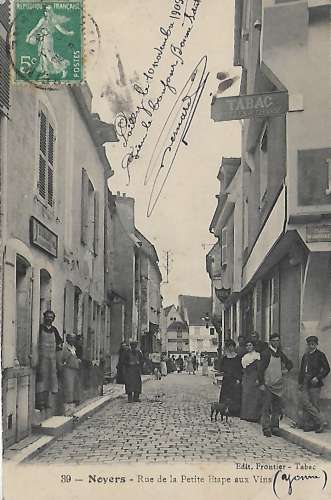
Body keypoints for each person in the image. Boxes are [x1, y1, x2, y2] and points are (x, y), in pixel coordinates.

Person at [258, 333, 293, 437]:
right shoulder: (265, 353)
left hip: (278, 385)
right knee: (266, 407)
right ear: (271, 342)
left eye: (278, 340)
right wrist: (261, 383)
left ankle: (275, 427)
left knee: (276, 407)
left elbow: (289, 363)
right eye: (274, 340)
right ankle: (266, 427)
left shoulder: (280, 353)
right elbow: (260, 370)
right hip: (268, 385)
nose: (276, 342)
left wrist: (286, 370)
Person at [26, 5, 75, 79]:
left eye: (48, 11)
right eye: (46, 11)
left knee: (50, 56)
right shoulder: (43, 20)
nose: (47, 13)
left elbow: (60, 29)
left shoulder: (53, 20)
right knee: (43, 56)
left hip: (48, 40)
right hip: (43, 39)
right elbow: (36, 28)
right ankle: (47, 73)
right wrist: (29, 36)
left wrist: (68, 33)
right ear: (45, 13)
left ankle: (63, 69)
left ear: (51, 12)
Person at [298, 336, 330, 433]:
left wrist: (318, 377)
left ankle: (316, 425)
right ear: (307, 345)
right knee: (306, 403)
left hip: (314, 383)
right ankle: (318, 421)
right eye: (309, 344)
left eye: (313, 344)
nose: (311, 346)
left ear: (316, 344)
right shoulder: (305, 355)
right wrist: (300, 383)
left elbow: (327, 369)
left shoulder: (320, 355)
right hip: (305, 382)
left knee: (314, 404)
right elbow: (301, 371)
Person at [36, 310, 63, 410]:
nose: (49, 319)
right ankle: (39, 402)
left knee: (50, 381)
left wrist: (58, 347)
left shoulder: (54, 330)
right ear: (44, 317)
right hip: (42, 358)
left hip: (52, 359)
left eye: (51, 317)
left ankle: (47, 402)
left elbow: (60, 341)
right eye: (48, 317)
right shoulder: (40, 328)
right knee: (41, 379)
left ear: (53, 319)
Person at [219, 339, 242, 416]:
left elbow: (240, 369)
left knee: (234, 396)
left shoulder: (238, 358)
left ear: (234, 347)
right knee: (226, 395)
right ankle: (224, 410)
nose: (231, 348)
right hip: (227, 380)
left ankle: (234, 411)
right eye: (229, 347)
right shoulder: (225, 358)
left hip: (234, 379)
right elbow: (221, 368)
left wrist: (239, 378)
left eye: (232, 346)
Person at [240, 339, 261, 422]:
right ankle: (246, 415)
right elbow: (244, 368)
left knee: (254, 396)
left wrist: (258, 379)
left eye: (250, 345)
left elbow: (259, 368)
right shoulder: (245, 357)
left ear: (253, 346)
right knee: (246, 395)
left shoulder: (257, 355)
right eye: (247, 346)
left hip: (255, 376)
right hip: (247, 377)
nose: (248, 347)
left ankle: (254, 416)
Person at [61, 334, 81, 416]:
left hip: (74, 370)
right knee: (68, 389)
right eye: (71, 339)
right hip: (68, 370)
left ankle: (72, 411)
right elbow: (63, 359)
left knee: (74, 390)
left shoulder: (73, 349)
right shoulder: (66, 349)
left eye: (74, 339)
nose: (73, 340)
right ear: (68, 339)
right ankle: (67, 411)